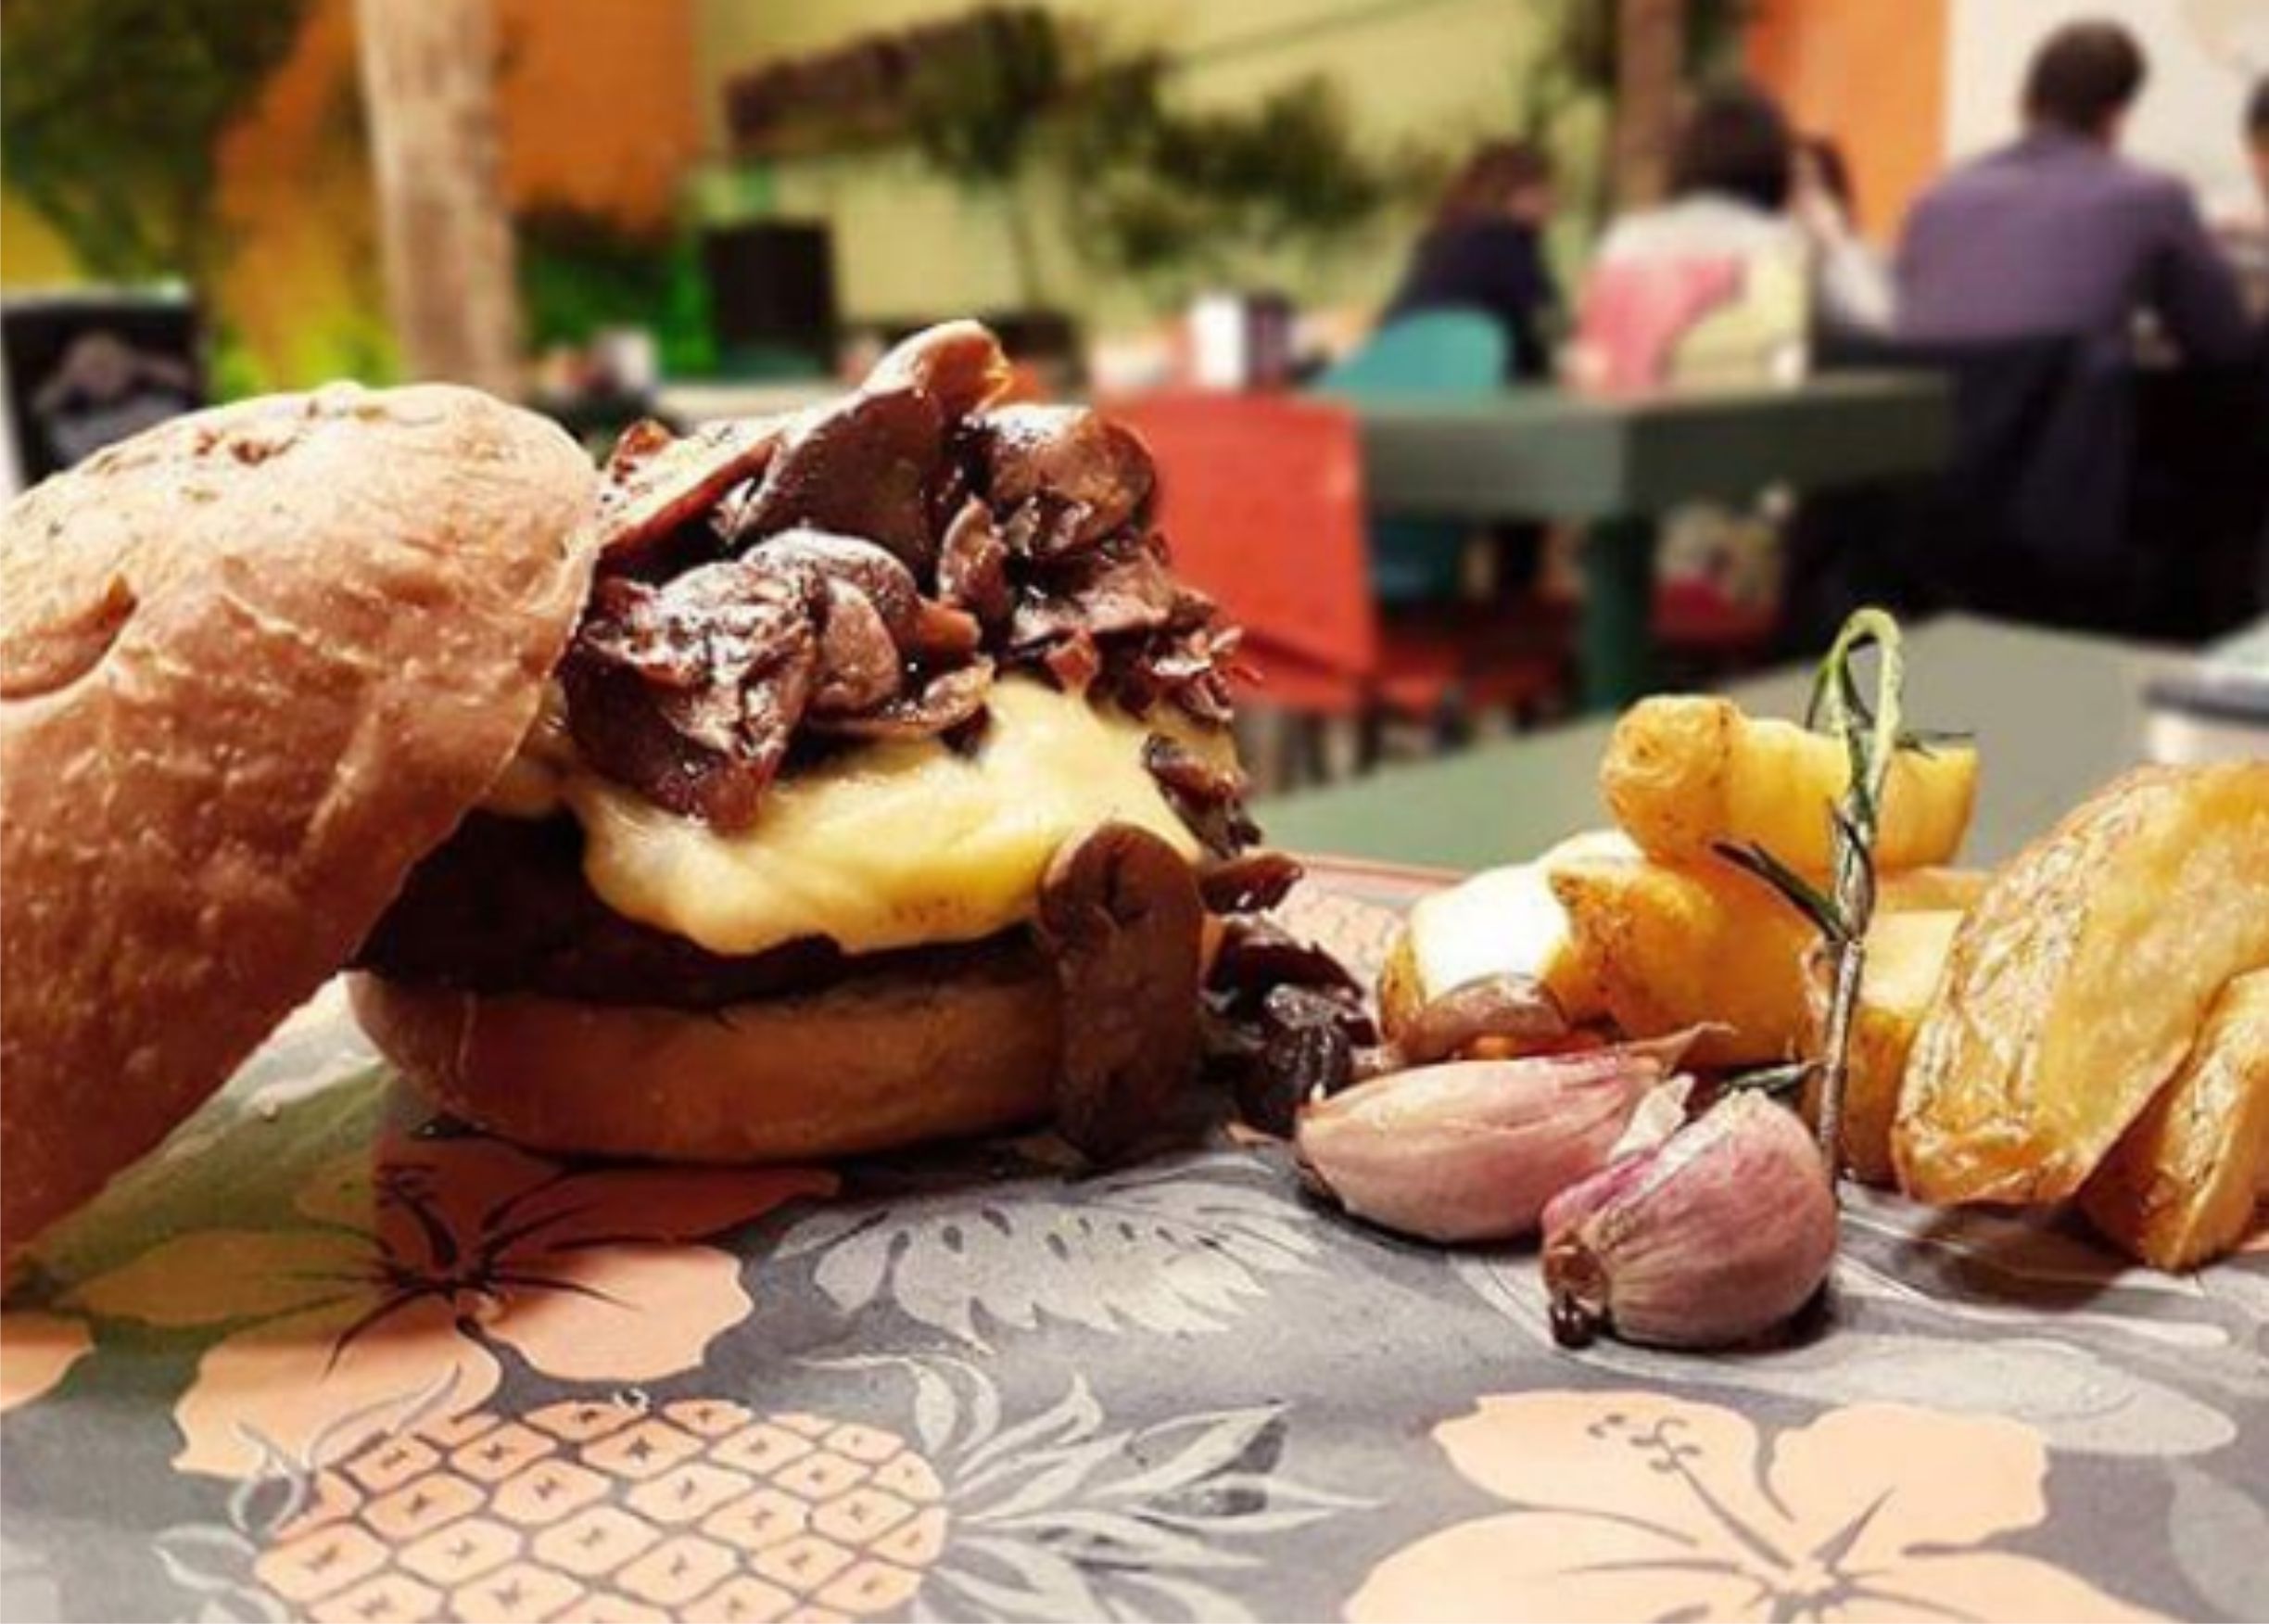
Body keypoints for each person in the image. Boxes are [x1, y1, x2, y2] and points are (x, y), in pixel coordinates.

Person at [1895, 20, 2252, 364]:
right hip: (2068, 404)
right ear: (2117, 115)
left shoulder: (1936, 198)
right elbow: (2224, 343)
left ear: (2025, 103)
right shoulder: (2149, 198)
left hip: (1936, 407)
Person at [1382, 140, 1560, 378]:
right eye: (1543, 190)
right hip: (1460, 383)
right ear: (1512, 194)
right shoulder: (1507, 242)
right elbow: (1545, 323)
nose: (1554, 201)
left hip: (1396, 374)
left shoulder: (1441, 239)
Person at [1794, 135, 1895, 332]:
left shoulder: (1864, 256)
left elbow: (1878, 323)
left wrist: (1837, 246)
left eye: (1807, 183)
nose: (1795, 196)